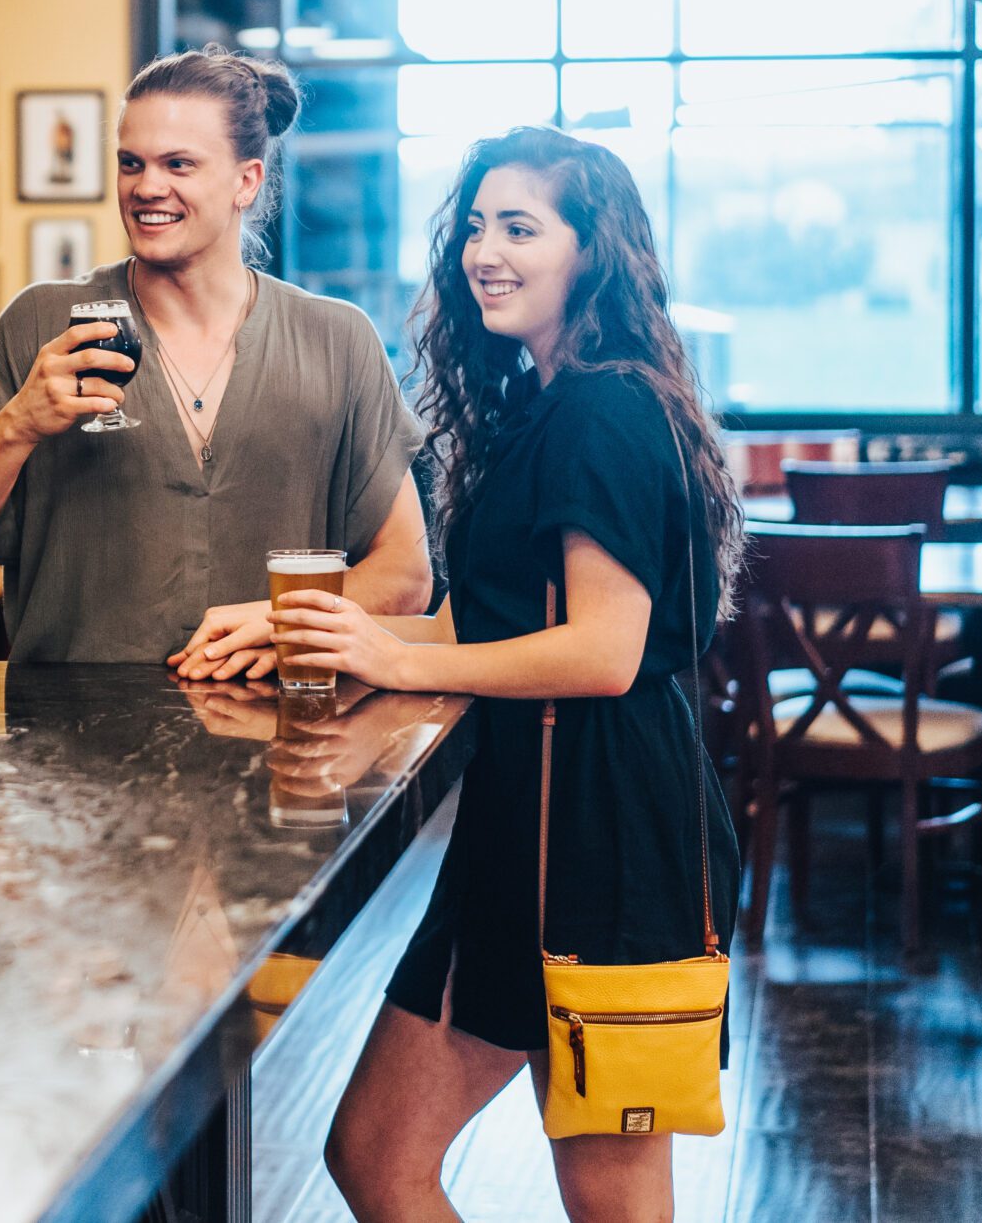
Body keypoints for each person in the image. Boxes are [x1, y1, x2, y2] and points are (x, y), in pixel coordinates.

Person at [271, 127, 745, 1223]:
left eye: (520, 228)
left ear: (593, 252)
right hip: (528, 825)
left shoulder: (605, 408)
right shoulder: (549, 402)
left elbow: (603, 651)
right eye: (477, 226)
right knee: (378, 1152)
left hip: (604, 836)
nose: (484, 251)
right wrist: (325, 635)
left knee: (602, 1198)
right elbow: (480, 619)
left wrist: (396, 654)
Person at [0, 47, 433, 663]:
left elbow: (405, 575)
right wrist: (19, 423)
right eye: (132, 163)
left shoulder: (337, 339)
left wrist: (274, 624)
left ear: (246, 181)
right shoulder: (41, 323)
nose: (147, 187)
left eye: (179, 164)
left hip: (277, 716)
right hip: (67, 723)